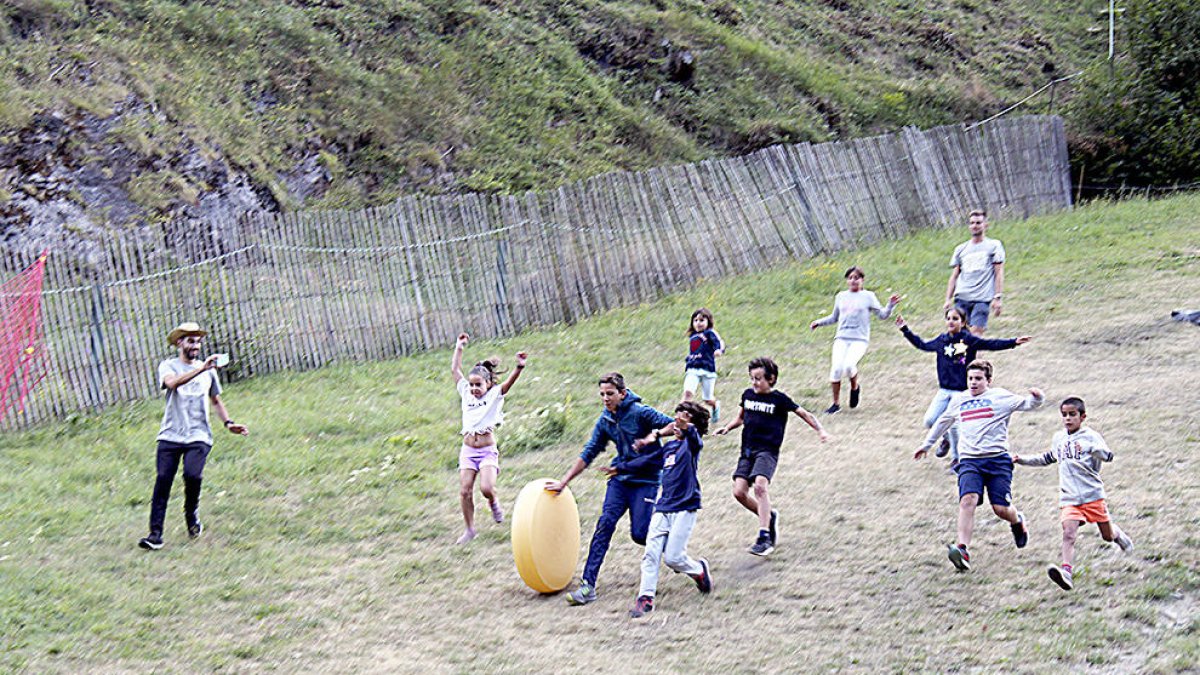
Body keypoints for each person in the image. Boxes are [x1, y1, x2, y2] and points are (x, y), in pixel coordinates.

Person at [547, 372, 675, 606]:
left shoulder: (640, 413)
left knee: (640, 534)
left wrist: (654, 435)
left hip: (645, 481)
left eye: (610, 394)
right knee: (604, 524)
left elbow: (674, 424)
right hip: (619, 479)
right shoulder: (605, 420)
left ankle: (676, 552)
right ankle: (587, 586)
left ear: (622, 394)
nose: (605, 398)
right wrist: (564, 482)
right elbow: (589, 452)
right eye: (602, 394)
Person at [915, 359, 1043, 571]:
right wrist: (926, 445)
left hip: (997, 460)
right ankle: (962, 549)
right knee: (968, 500)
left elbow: (1027, 404)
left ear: (988, 380)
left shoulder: (1000, 397)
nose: (973, 383)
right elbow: (943, 421)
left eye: (978, 379)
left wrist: (1038, 398)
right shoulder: (960, 400)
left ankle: (1017, 520)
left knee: (1000, 509)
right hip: (969, 461)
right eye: (970, 379)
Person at [138, 322, 248, 551]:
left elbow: (215, 400)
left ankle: (191, 514)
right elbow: (172, 384)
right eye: (190, 341)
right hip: (170, 435)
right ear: (179, 343)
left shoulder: (208, 371)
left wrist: (228, 423)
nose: (195, 345)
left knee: (192, 475)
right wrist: (201, 369)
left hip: (199, 434)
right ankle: (155, 535)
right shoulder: (168, 366)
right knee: (163, 482)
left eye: (198, 341)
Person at [1014, 397, 1134, 591]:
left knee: (1107, 536)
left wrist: (1095, 450)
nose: (1068, 419)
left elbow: (1108, 456)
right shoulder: (1059, 438)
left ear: (1082, 416)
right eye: (1064, 415)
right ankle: (1066, 573)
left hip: (1092, 495)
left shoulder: (1091, 436)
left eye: (1072, 414)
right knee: (1068, 534)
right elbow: (1046, 458)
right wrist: (1022, 460)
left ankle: (1119, 535)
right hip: (1069, 497)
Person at [715, 357, 830, 556]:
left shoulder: (779, 399)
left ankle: (764, 536)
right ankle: (769, 516)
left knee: (760, 486)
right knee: (739, 493)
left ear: (771, 378)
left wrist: (820, 430)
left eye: (758, 378)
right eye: (752, 378)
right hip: (747, 451)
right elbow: (741, 417)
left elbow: (803, 414)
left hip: (767, 451)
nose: (754, 382)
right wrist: (727, 427)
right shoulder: (748, 395)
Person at [608, 401, 713, 618]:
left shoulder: (692, 445)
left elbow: (694, 437)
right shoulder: (669, 447)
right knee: (650, 554)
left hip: (685, 507)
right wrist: (620, 468)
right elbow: (648, 462)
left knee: (673, 558)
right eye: (677, 419)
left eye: (684, 419)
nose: (678, 423)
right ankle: (645, 599)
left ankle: (699, 571)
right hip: (662, 507)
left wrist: (688, 427)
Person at [896, 308, 1032, 466]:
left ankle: (957, 459)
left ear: (963, 322)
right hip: (944, 390)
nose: (951, 322)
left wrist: (1013, 342)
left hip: (961, 392)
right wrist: (905, 329)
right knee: (930, 420)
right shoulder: (942, 340)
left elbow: (991, 344)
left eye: (955, 319)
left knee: (954, 425)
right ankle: (945, 440)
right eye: (948, 319)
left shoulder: (968, 340)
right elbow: (923, 345)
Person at [450, 332, 527, 545]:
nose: (474, 389)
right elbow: (455, 370)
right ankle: (469, 529)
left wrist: (519, 367)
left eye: (478, 385)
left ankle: (493, 502)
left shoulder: (494, 395)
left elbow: (508, 384)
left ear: (488, 384)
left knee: (485, 488)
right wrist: (459, 347)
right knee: (464, 490)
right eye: (472, 385)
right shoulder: (465, 392)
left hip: (486, 451)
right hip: (468, 450)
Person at [809, 266, 900, 414]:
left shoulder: (868, 296)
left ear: (862, 280)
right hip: (841, 338)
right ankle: (836, 404)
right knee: (836, 368)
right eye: (850, 278)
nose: (853, 281)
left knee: (849, 366)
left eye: (856, 278)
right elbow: (834, 317)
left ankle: (854, 387)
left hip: (859, 339)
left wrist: (890, 305)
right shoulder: (841, 296)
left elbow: (883, 315)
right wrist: (818, 322)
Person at [944, 209, 1005, 336]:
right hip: (962, 298)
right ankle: (965, 357)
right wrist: (948, 299)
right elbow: (954, 275)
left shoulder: (994, 246)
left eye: (978, 223)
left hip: (982, 299)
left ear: (985, 225)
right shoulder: (961, 249)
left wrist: (997, 297)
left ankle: (976, 356)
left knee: (976, 335)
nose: (975, 226)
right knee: (959, 335)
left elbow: (998, 272)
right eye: (972, 223)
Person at [682, 308, 724, 423]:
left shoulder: (710, 333)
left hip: (708, 369)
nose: (698, 323)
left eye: (701, 320)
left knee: (707, 399)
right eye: (695, 320)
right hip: (693, 369)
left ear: (708, 321)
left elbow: (719, 343)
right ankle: (681, 419)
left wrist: (718, 350)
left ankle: (715, 406)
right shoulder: (693, 336)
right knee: (688, 392)